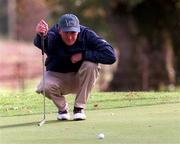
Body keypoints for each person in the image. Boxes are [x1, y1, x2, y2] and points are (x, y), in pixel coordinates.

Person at [34, 13, 116, 121]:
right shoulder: (53, 34)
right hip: (57, 77)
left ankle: (79, 108)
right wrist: (41, 35)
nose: (69, 37)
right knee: (44, 87)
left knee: (91, 64)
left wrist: (84, 55)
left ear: (78, 30)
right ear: (59, 30)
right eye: (66, 33)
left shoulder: (87, 34)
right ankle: (63, 109)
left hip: (80, 78)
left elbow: (111, 56)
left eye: (73, 33)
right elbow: (42, 43)